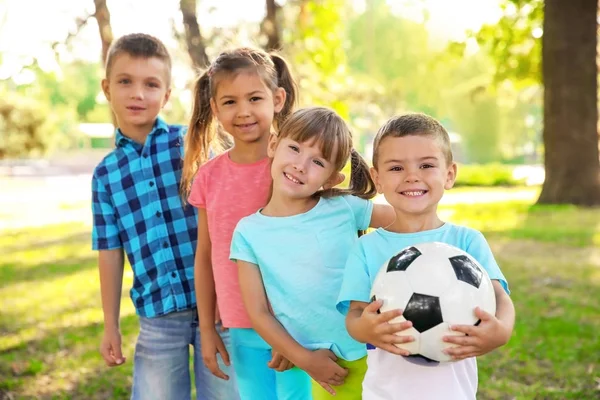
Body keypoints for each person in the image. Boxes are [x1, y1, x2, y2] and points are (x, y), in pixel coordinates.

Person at [91, 33, 238, 400]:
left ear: (167, 94)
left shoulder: (194, 143)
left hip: (219, 310)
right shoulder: (106, 174)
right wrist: (111, 324)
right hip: (158, 317)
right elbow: (110, 251)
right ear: (108, 88)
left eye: (151, 84)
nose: (137, 94)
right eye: (125, 82)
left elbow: (229, 217)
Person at [337, 113, 515, 400]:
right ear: (377, 178)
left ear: (449, 174)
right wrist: (367, 329)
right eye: (396, 167)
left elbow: (501, 299)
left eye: (427, 165)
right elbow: (354, 316)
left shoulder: (467, 242)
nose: (412, 176)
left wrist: (501, 331)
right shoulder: (367, 249)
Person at [230, 107, 396, 399]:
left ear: (332, 179)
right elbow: (257, 312)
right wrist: (303, 359)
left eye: (317, 161)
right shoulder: (248, 232)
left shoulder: (344, 208)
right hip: (316, 364)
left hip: (374, 350)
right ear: (273, 145)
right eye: (294, 148)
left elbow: (404, 219)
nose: (300, 165)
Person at [181, 47, 308, 399]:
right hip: (239, 325)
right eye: (230, 102)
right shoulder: (208, 177)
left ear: (277, 98)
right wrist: (206, 328)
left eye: (254, 98)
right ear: (215, 108)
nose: (244, 111)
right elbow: (206, 254)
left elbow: (305, 247)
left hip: (295, 323)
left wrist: (291, 329)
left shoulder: (292, 167)